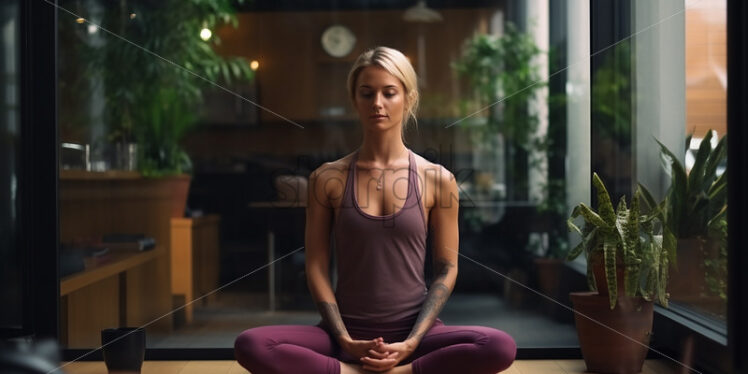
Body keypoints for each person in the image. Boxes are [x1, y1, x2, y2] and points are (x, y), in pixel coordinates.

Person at [234, 46, 516, 374]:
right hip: (344, 335)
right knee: (251, 344)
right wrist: (344, 338)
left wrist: (411, 343)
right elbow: (316, 266)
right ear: (354, 100)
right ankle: (350, 369)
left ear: (408, 99)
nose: (377, 103)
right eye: (366, 93)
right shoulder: (327, 178)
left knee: (499, 346)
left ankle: (401, 370)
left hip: (416, 335)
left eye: (389, 93)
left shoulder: (438, 179)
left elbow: (446, 268)